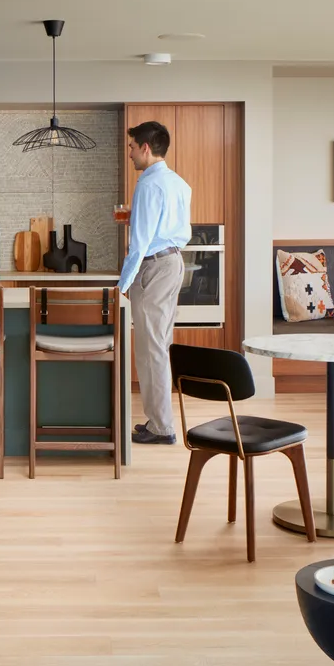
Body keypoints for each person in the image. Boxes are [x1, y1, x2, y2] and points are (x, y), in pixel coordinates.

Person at [117, 121, 192, 445]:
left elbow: (140, 243)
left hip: (154, 267)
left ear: (146, 148)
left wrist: (121, 286)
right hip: (173, 263)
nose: (130, 153)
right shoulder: (178, 182)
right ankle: (157, 420)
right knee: (158, 345)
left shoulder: (148, 184)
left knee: (152, 349)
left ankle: (162, 427)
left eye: (132, 147)